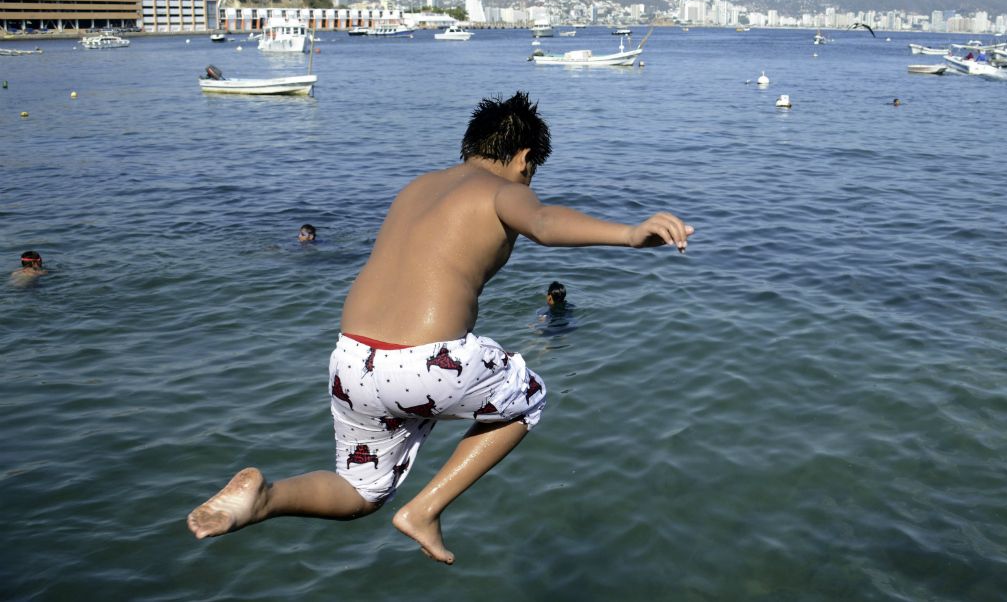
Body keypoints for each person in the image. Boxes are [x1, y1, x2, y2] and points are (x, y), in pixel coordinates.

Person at [187, 91, 693, 565]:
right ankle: (424, 509)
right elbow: (541, 223)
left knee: (362, 493)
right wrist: (628, 234)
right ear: (523, 158)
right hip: (426, 362)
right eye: (532, 170)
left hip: (351, 360)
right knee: (530, 395)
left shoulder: (417, 188)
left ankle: (264, 499)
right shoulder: (501, 190)